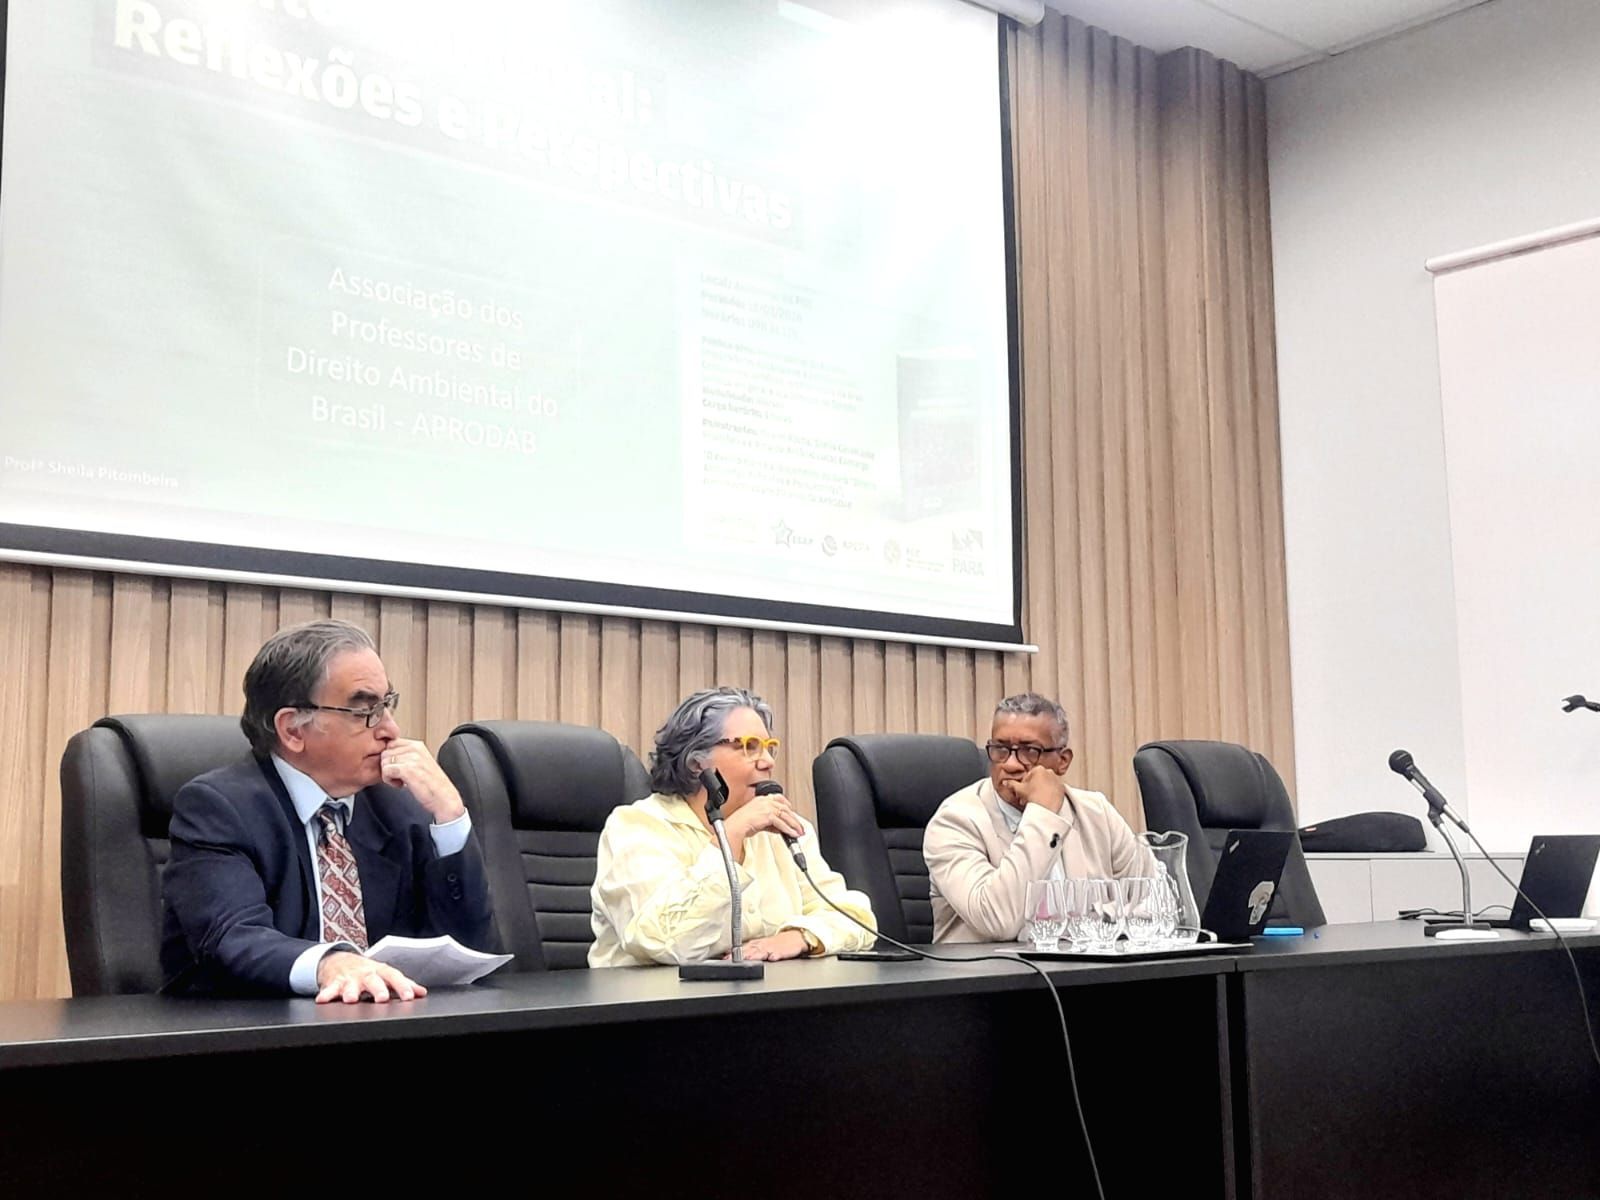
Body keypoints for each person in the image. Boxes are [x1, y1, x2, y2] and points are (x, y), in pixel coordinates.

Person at [160, 619, 496, 1001]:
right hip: (248, 1028)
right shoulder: (218, 809)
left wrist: (450, 817)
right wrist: (329, 964)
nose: (390, 729)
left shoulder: (397, 807)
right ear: (293, 730)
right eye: (364, 710)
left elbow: (469, 948)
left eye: (387, 705)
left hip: (381, 1027)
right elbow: (232, 937)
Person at [590, 686, 876, 966]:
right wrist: (731, 836)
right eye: (749, 747)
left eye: (769, 748)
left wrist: (799, 937)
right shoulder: (637, 827)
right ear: (696, 762)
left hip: (769, 994)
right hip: (659, 996)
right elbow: (664, 943)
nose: (767, 762)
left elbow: (856, 918)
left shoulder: (783, 830)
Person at [924, 692, 1155, 943]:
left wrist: (1083, 925)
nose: (1011, 765)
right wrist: (1042, 814)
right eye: (1001, 749)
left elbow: (1154, 900)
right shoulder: (954, 821)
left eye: (1029, 751)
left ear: (1063, 761)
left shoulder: (1096, 813)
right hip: (993, 968)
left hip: (1088, 967)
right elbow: (997, 920)